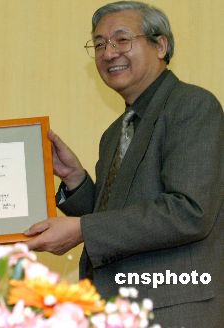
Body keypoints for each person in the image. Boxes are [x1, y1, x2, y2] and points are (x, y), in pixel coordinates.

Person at [24, 1, 223, 326]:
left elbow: (190, 211)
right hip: (116, 310)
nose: (108, 52)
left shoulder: (192, 105)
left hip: (173, 309)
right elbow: (117, 219)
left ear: (161, 45)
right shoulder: (115, 132)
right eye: (99, 43)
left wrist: (82, 229)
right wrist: (76, 180)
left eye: (122, 40)